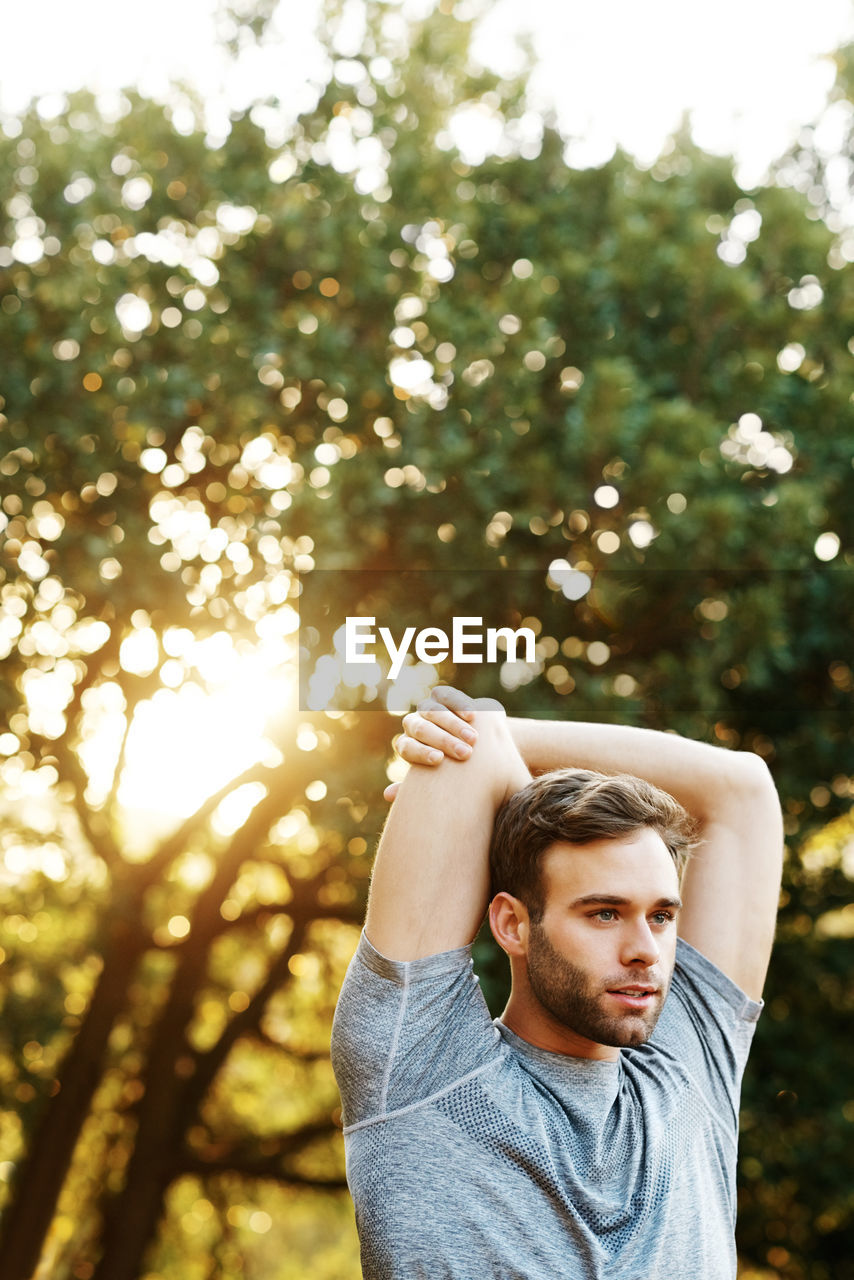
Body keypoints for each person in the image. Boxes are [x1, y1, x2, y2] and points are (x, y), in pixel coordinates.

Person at [331, 686, 783, 1279]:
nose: (645, 951)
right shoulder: (418, 1066)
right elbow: (468, 759)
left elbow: (744, 788)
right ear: (513, 925)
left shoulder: (691, 1072)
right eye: (603, 912)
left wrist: (505, 734)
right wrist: (482, 741)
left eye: (662, 916)